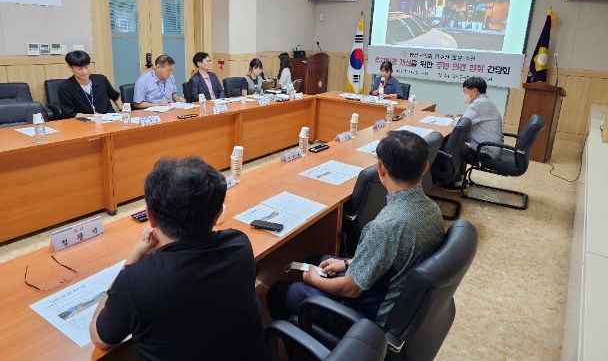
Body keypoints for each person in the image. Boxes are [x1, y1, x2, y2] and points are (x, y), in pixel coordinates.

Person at [89, 156, 266, 361]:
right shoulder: (239, 244)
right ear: (219, 213)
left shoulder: (137, 280)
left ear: (150, 217)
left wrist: (133, 258)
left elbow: (100, 339)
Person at [267, 131, 445, 326]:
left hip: (371, 315)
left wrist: (314, 280)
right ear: (425, 167)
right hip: (397, 292)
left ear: (381, 168)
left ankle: (302, 339)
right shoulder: (433, 209)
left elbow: (350, 289)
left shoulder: (384, 227)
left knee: (279, 292)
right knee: (316, 260)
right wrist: (346, 264)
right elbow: (389, 254)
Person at [442, 76, 504, 191]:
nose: (463, 94)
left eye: (465, 91)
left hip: (486, 149)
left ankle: (453, 181)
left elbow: (461, 124)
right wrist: (461, 118)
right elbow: (467, 119)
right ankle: (458, 178)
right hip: (490, 145)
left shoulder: (479, 104)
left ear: (475, 91)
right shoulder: (484, 102)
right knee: (457, 141)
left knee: (452, 146)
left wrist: (455, 119)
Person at [58, 50, 122, 118]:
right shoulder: (65, 87)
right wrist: (94, 116)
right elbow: (70, 114)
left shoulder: (101, 79)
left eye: (86, 67)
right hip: (85, 121)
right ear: (70, 67)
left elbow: (116, 97)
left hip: (110, 118)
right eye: (80, 69)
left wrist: (122, 110)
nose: (85, 72)